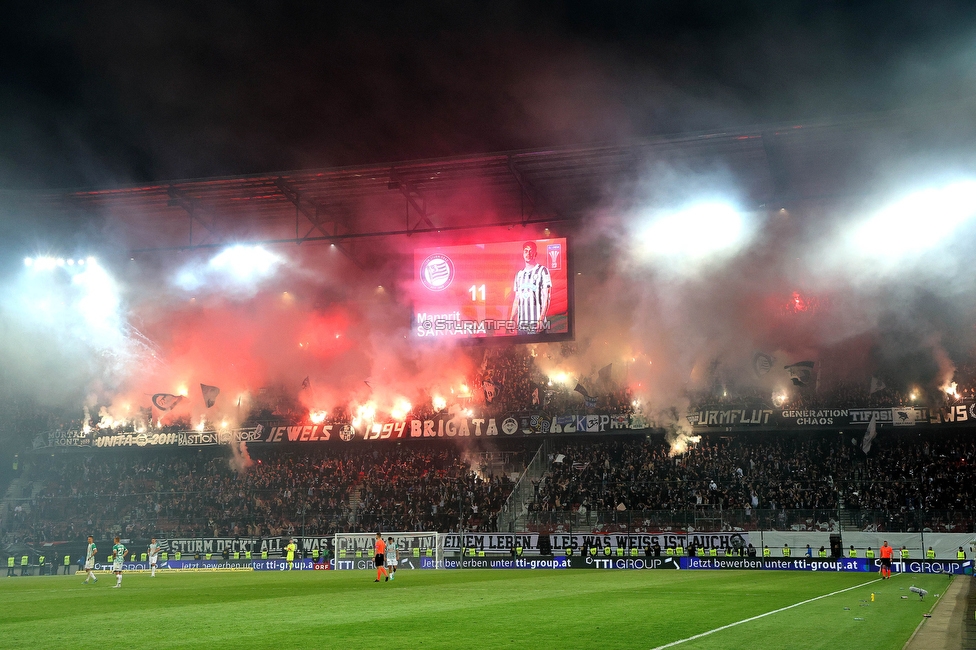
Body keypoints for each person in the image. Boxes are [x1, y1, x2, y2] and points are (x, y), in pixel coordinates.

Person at [510, 241, 552, 335]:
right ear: (523, 253)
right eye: (526, 251)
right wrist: (511, 318)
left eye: (530, 251)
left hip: (537, 325)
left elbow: (547, 297)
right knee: (521, 350)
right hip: (522, 326)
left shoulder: (542, 271)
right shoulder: (519, 275)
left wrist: (541, 319)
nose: (528, 254)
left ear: (535, 254)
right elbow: (517, 299)